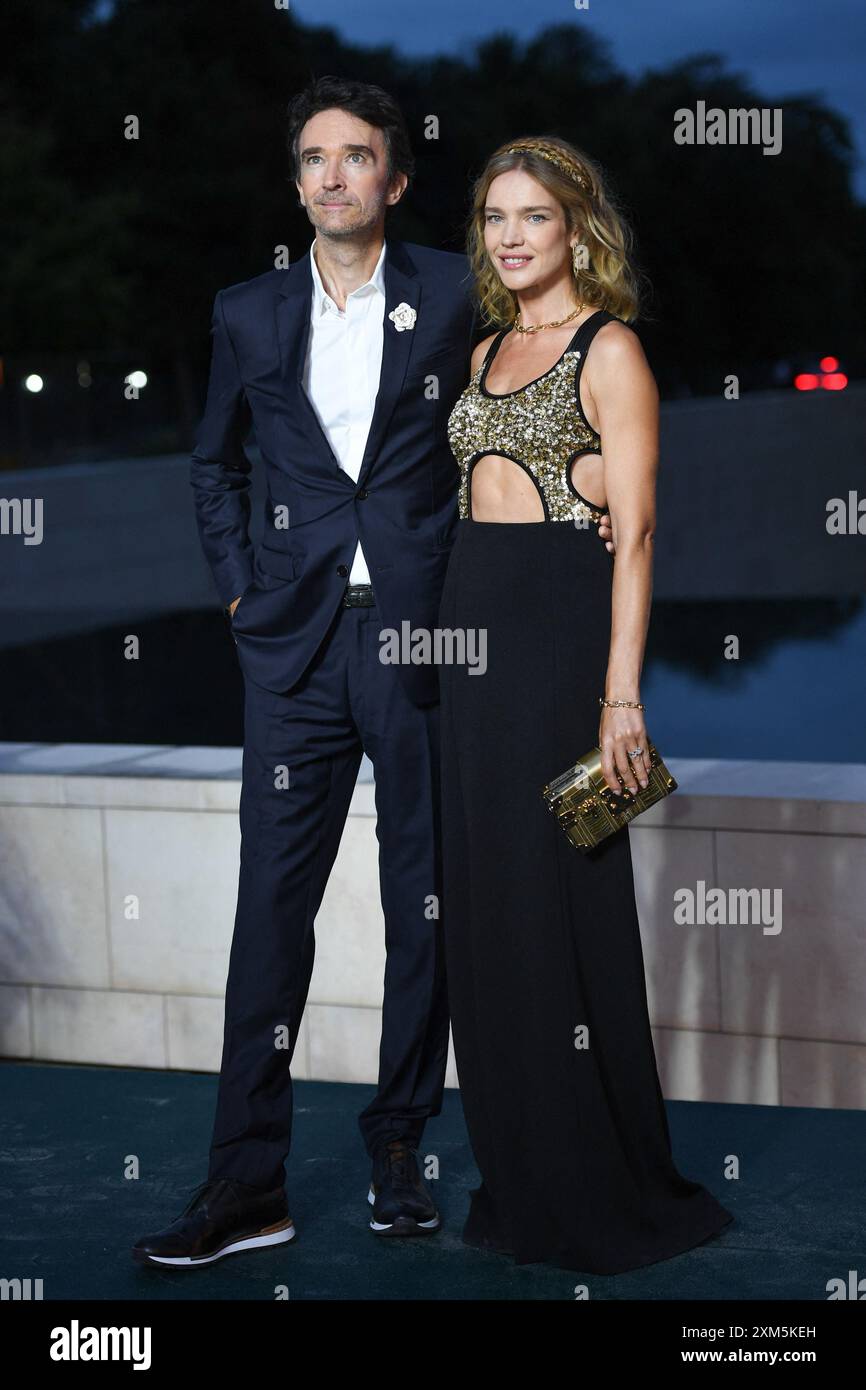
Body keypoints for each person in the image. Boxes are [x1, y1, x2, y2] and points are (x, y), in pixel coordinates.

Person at [131, 79, 617, 1269]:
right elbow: (212, 465)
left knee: (423, 906)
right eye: (314, 158)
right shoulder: (246, 311)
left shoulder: (455, 296)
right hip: (289, 651)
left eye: (358, 157)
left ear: (395, 181)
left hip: (425, 637)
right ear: (296, 182)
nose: (334, 175)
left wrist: (583, 497)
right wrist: (241, 590)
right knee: (268, 919)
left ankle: (400, 1147)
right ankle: (244, 1183)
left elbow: (533, 392)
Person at [438, 135, 735, 1273]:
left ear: (577, 229)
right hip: (470, 647)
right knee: (485, 915)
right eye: (494, 218)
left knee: (561, 906)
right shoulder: (480, 352)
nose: (510, 237)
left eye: (533, 217)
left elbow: (637, 531)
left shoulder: (609, 351)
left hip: (559, 649)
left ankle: (597, 1186)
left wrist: (621, 695)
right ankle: (518, 1173)